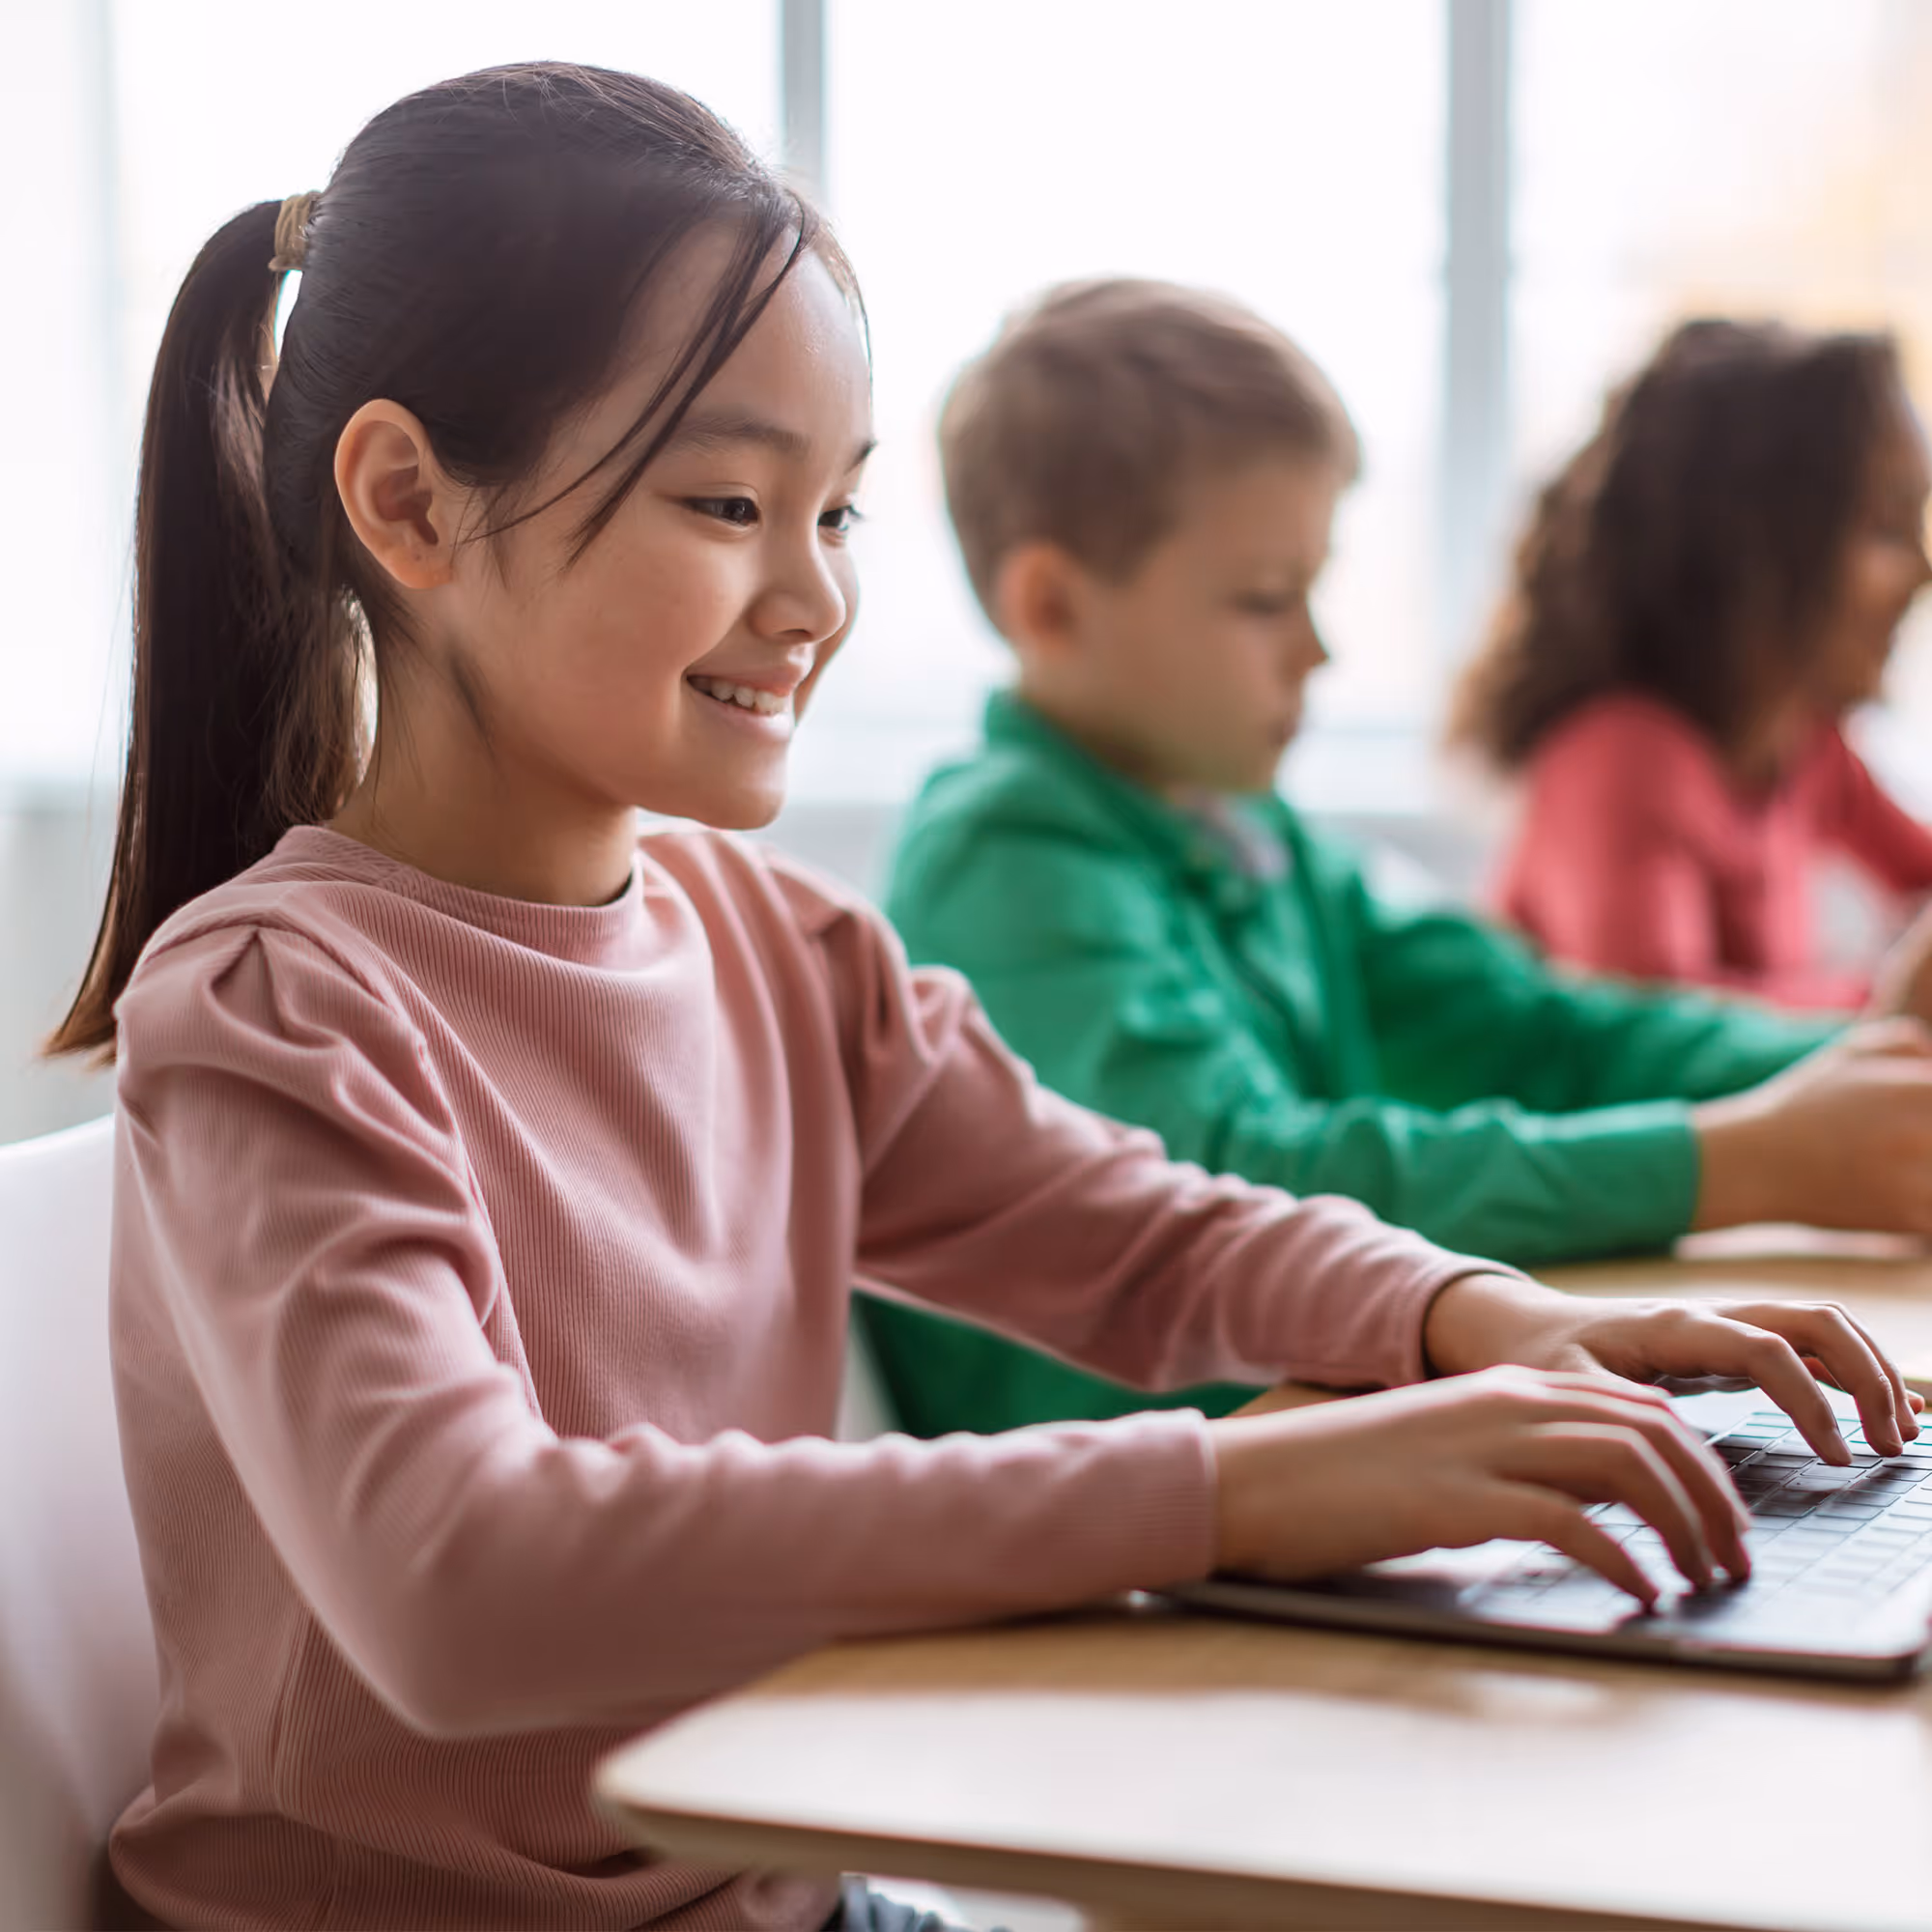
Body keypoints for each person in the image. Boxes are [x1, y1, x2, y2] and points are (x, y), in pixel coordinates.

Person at [60, 73, 1918, 1932]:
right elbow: (462, 1588)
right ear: (408, 502)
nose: (813, 597)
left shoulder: (785, 952)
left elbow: (1139, 1229)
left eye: (841, 514)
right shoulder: (270, 1009)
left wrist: (1474, 1321)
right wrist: (1244, 1490)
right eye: (729, 500)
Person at [868, 280, 1932, 1440]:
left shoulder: (1248, 830)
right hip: (1127, 1521)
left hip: (1307, 1440)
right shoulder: (1003, 854)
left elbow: (1542, 1027)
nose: (1317, 649)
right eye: (1267, 600)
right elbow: (1248, 1183)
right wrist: (1727, 1163)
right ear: (1051, 605)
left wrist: (1862, 1064)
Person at [1454, 318, 1932, 1008]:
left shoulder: (1804, 745)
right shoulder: (1620, 758)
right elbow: (1654, 1035)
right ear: (1755, 549)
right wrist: (1889, 1004)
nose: (1921, 573)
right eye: (1885, 528)